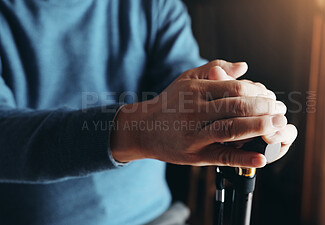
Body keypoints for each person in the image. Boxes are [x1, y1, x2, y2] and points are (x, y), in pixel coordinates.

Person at [0, 0, 297, 224]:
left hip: (156, 217)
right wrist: (138, 130)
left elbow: (185, 82)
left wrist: (229, 111)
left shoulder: (152, 5)